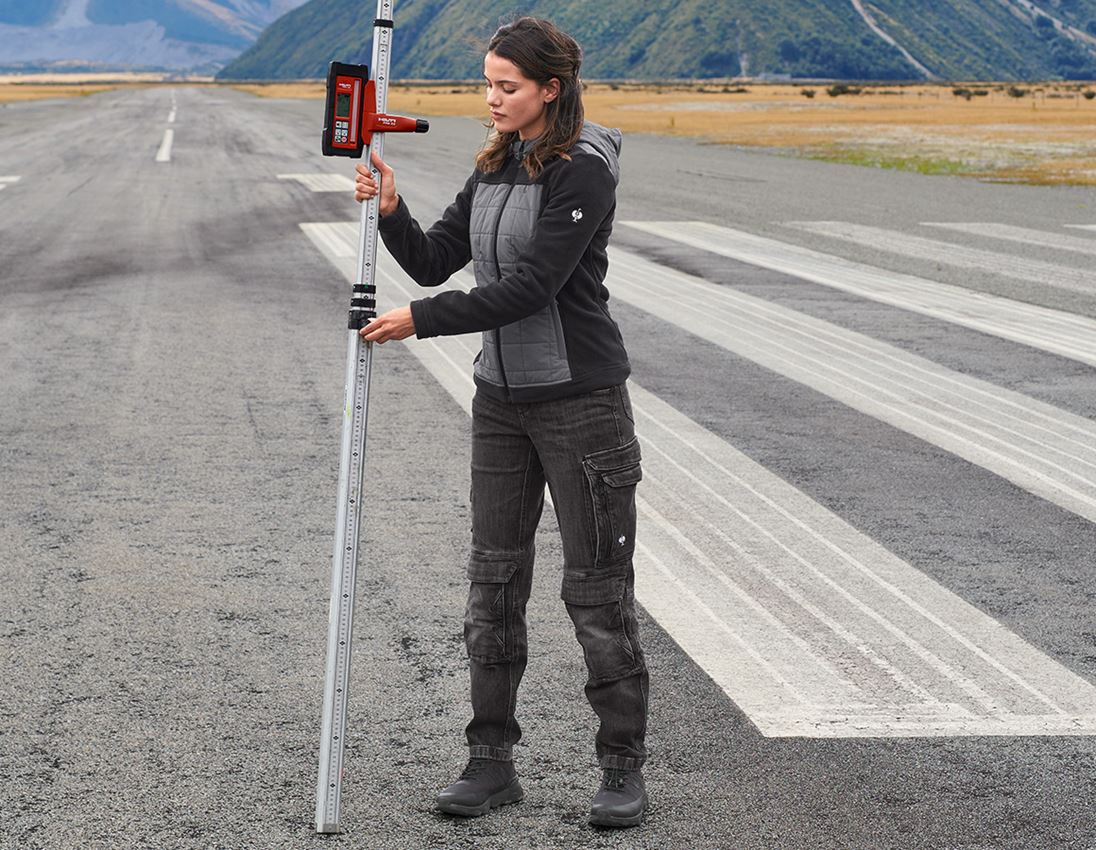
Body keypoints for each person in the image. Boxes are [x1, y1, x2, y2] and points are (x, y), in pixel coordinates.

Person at [354, 16, 648, 828]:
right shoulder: (496, 162)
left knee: (595, 592)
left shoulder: (582, 170)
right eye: (487, 83)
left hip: (581, 403)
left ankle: (622, 769)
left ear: (550, 89)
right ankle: (490, 764)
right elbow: (432, 255)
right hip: (501, 404)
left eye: (507, 87)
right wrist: (391, 207)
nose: (491, 99)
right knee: (493, 583)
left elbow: (531, 288)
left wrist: (422, 320)